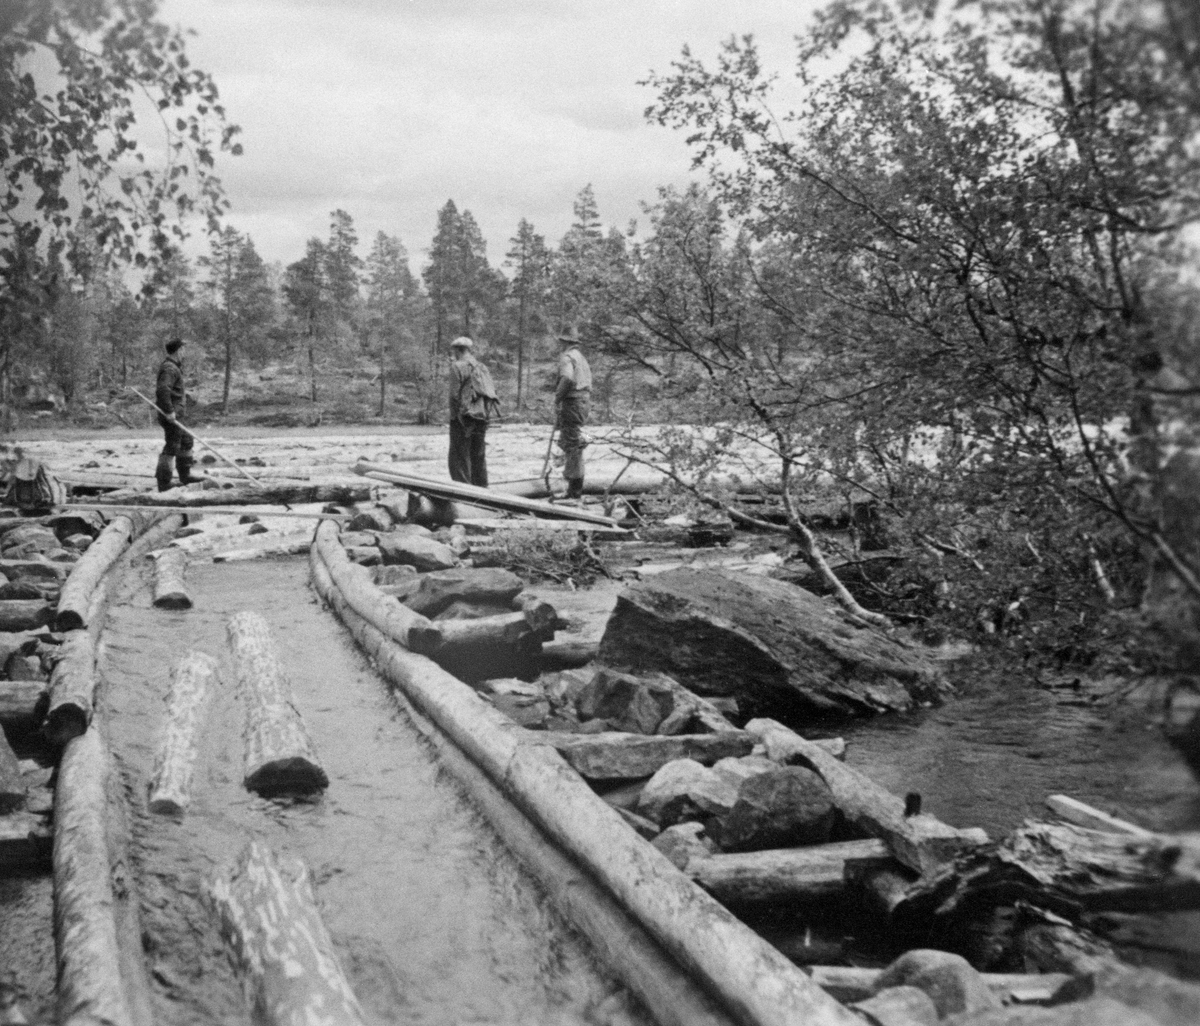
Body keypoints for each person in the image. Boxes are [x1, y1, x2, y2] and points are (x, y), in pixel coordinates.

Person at [447, 335, 495, 488]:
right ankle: (482, 491)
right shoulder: (482, 367)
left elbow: (454, 396)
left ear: (458, 350)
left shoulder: (457, 366)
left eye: (454, 350)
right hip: (481, 416)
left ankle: (464, 493)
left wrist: (455, 416)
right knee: (478, 456)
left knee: (459, 457)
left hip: (463, 418)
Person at [154, 337, 197, 492]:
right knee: (172, 445)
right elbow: (163, 390)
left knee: (186, 440)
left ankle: (185, 476)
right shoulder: (169, 368)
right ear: (178, 351)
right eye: (183, 349)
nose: (185, 352)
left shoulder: (173, 367)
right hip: (170, 415)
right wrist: (169, 411)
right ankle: (164, 483)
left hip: (176, 414)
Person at [554, 325, 592, 499]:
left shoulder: (567, 357)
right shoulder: (581, 358)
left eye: (561, 341)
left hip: (573, 402)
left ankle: (574, 491)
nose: (559, 344)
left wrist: (557, 398)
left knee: (572, 445)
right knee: (573, 443)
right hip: (583, 402)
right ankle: (573, 487)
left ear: (565, 342)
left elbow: (567, 378)